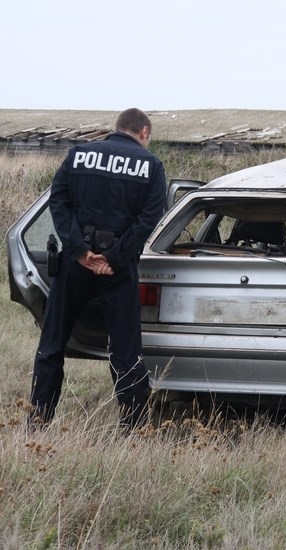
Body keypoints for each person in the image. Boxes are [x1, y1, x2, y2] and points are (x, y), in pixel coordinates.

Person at [29, 108, 166, 433]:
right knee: (126, 352)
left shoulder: (79, 155)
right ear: (144, 132)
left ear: (116, 129)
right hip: (118, 272)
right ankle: (133, 430)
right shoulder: (151, 165)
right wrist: (115, 259)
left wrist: (79, 251)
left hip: (75, 266)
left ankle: (36, 423)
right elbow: (150, 217)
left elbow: (58, 202)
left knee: (51, 347)